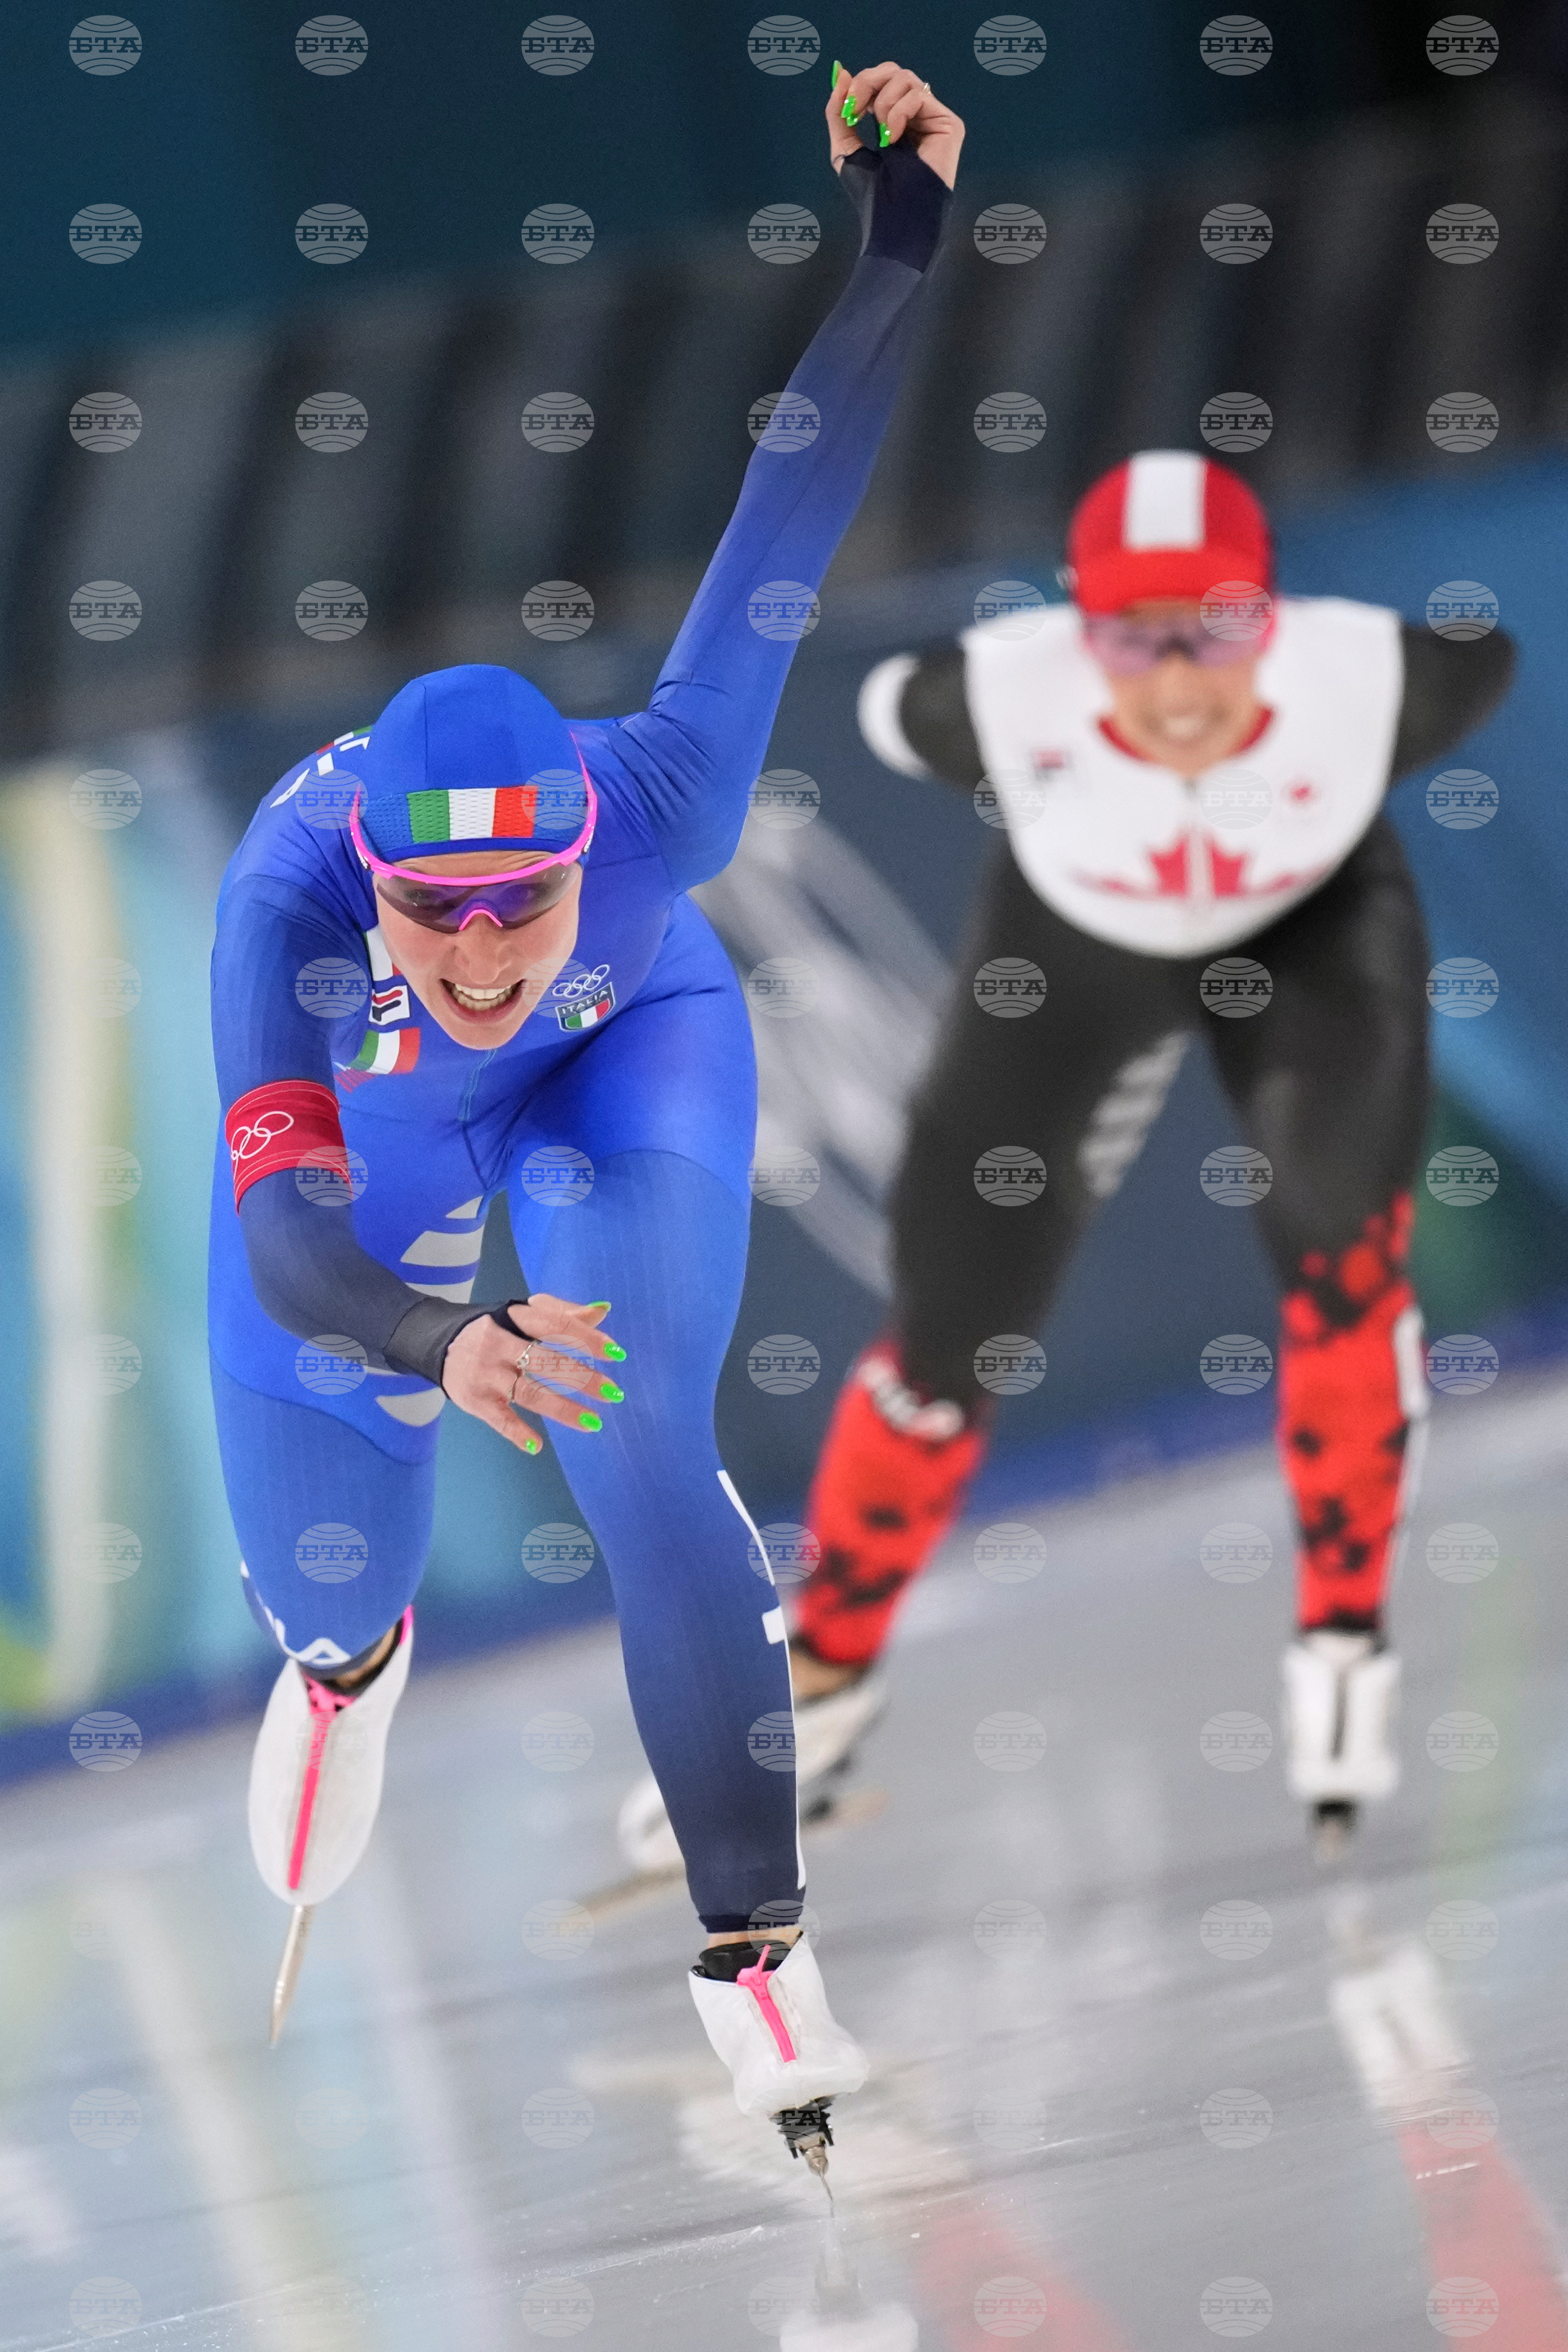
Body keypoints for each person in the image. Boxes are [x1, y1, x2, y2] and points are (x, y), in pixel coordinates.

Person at [208, 57, 963, 2167]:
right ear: (372, 880)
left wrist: (903, 225)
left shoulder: (664, 797)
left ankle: (753, 1947)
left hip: (642, 1051)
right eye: (430, 915)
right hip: (380, 1171)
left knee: (637, 1425)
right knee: (336, 1585)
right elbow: (287, 1244)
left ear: (573, 849)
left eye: (514, 902)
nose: (470, 950)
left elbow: (791, 490)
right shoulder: (281, 922)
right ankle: (347, 1670)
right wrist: (440, 1340)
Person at [622, 447, 1514, 1871]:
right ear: (1075, 634)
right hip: (1073, 951)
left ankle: (1345, 1634)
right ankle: (830, 1669)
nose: (1173, 686)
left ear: (1273, 616)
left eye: (1214, 629)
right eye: (1130, 638)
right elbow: (874, 704)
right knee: (946, 1335)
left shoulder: (1382, 683)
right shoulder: (987, 692)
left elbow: (1493, 654)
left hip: (1314, 933)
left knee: (1344, 1255)